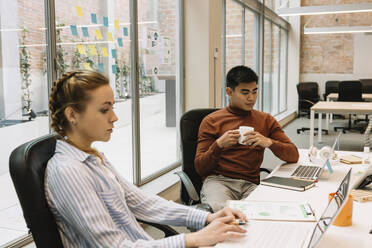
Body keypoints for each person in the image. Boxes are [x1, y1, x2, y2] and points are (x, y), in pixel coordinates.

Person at [45, 70, 247, 248]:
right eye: (105, 109)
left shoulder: (93, 158)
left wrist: (208, 217)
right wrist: (191, 240)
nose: (114, 117)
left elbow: (143, 203)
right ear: (72, 114)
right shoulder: (68, 170)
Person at [195, 65, 299, 212]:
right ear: (229, 92)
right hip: (219, 181)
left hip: (250, 184)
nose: (251, 98)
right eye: (245, 92)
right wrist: (218, 145)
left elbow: (293, 155)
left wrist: (269, 143)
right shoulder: (211, 121)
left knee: (263, 215)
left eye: (254, 92)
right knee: (223, 215)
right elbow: (200, 168)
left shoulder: (266, 120)